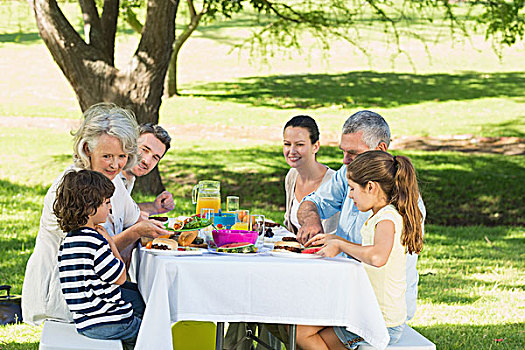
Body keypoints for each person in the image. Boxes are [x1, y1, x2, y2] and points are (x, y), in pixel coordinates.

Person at [22, 103, 170, 325]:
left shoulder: (112, 182)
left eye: (122, 156)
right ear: (87, 150)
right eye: (107, 156)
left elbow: (137, 218)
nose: (115, 165)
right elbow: (90, 255)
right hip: (66, 298)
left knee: (158, 303)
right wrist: (136, 232)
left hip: (95, 291)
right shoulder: (73, 188)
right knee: (152, 313)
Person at [297, 110, 426, 321]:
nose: (345, 160)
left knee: (300, 326)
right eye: (343, 152)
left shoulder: (401, 205)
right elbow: (311, 202)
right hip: (348, 291)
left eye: (353, 153)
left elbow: (377, 259)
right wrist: (312, 222)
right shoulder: (348, 173)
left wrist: (338, 243)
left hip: (374, 304)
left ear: (381, 149)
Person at [55, 169, 141, 349]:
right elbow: (120, 277)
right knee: (149, 332)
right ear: (89, 207)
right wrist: (110, 243)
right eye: (106, 203)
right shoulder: (95, 241)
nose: (110, 208)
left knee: (137, 297)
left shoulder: (70, 240)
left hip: (85, 322)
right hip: (109, 322)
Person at [283, 115, 339, 234]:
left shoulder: (334, 183)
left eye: (300, 145)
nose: (292, 151)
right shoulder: (292, 176)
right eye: (287, 144)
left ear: (315, 147)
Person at [119, 123, 175, 217]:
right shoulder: (110, 176)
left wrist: (155, 207)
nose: (147, 161)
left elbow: (122, 212)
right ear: (130, 144)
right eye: (144, 150)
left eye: (155, 157)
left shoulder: (128, 178)